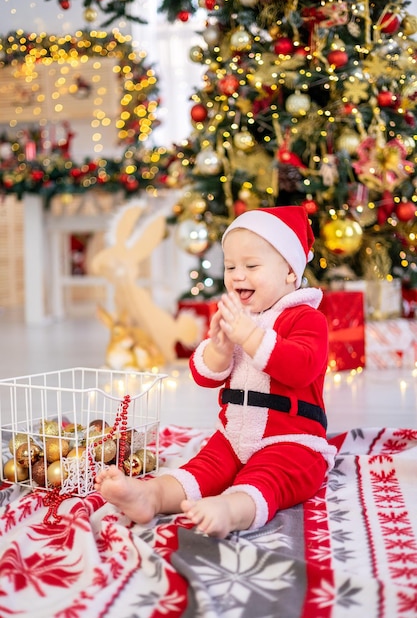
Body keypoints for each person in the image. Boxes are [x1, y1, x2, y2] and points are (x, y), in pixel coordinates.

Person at [95, 205, 337, 539]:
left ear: (290, 273)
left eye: (251, 266)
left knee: (269, 478)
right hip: (233, 435)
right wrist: (220, 349)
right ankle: (150, 496)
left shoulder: (306, 319)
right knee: (202, 469)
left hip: (291, 441)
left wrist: (250, 337)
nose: (238, 275)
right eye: (231, 266)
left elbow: (301, 367)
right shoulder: (239, 317)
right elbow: (204, 376)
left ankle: (231, 510)